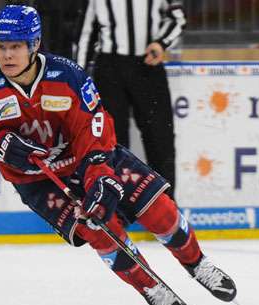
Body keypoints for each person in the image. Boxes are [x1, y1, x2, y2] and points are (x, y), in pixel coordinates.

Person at [0, 4, 236, 305]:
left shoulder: (65, 74)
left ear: (34, 45)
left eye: (16, 46)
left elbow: (93, 126)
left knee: (159, 208)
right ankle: (151, 288)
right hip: (38, 181)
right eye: (1, 47)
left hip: (87, 159)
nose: (7, 55)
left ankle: (197, 263)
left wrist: (98, 176)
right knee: (100, 232)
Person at [75, 0, 184, 200]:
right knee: (111, 143)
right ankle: (113, 208)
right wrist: (77, 79)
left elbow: (177, 19)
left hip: (148, 65)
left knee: (160, 138)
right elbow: (85, 34)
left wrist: (161, 43)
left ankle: (167, 209)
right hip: (110, 68)